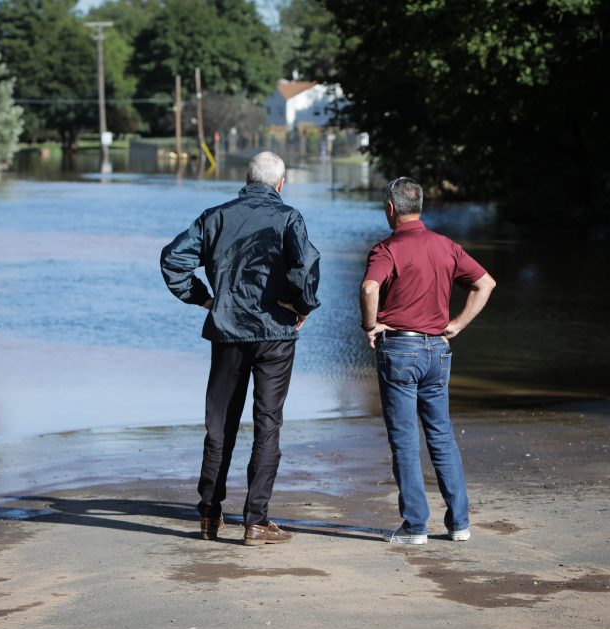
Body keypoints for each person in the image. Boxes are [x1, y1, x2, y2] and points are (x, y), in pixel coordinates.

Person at [160, 151, 320, 546]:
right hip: (274, 335)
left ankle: (210, 515)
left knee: (220, 425)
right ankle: (255, 521)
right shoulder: (288, 218)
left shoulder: (215, 216)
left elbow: (173, 259)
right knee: (268, 423)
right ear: (280, 184)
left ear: (246, 179)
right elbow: (306, 269)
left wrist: (205, 299)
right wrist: (301, 306)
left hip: (228, 332)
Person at [359, 177, 496, 544]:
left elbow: (370, 287)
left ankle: (415, 526)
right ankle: (459, 524)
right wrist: (457, 325)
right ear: (420, 206)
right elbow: (486, 283)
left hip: (400, 351)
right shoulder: (446, 246)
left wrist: (370, 326)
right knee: (441, 435)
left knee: (405, 438)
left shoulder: (386, 250)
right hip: (437, 350)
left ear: (391, 208)